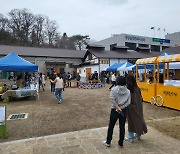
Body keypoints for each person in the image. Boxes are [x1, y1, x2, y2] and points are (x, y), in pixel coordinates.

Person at [104, 76, 131, 147]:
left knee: (111, 126)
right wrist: (121, 107)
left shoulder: (113, 89)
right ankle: (121, 142)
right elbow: (128, 102)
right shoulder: (128, 91)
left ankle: (108, 142)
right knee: (122, 127)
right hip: (124, 110)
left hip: (114, 109)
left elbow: (112, 99)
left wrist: (117, 107)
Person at [125, 74, 147, 142]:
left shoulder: (128, 88)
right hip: (139, 106)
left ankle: (130, 136)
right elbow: (140, 97)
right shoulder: (137, 87)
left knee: (131, 121)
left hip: (131, 107)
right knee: (139, 119)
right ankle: (138, 134)